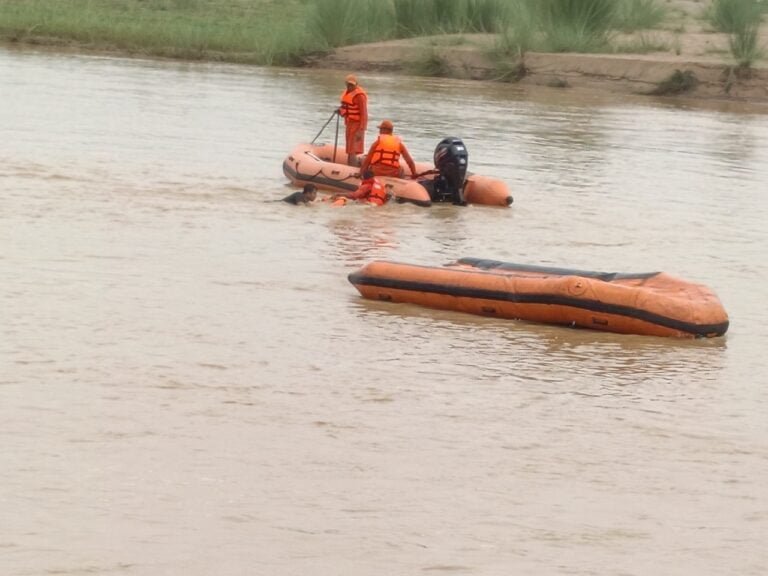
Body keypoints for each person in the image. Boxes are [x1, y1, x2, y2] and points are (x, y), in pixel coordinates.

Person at [338, 74, 368, 167]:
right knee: (349, 147)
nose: (350, 86)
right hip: (349, 123)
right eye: (349, 84)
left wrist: (361, 129)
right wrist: (340, 111)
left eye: (352, 85)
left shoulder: (360, 96)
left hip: (357, 124)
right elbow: (346, 109)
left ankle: (352, 168)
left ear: (356, 84)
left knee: (352, 149)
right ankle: (350, 166)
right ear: (346, 84)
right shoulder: (346, 93)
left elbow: (364, 114)